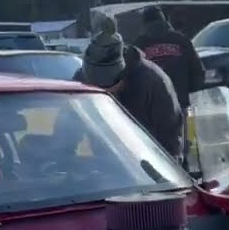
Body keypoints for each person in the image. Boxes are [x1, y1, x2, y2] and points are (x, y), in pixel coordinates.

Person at [75, 15, 183, 160]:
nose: (105, 94)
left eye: (110, 89)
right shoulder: (79, 82)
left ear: (123, 74)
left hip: (149, 161)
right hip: (104, 162)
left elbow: (170, 135)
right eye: (97, 89)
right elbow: (71, 128)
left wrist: (168, 173)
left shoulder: (153, 81)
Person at [133, 6, 205, 126]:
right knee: (187, 139)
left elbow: (132, 79)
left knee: (157, 144)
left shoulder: (139, 44)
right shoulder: (181, 40)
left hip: (151, 111)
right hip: (183, 106)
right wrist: (191, 98)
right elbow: (198, 72)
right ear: (164, 20)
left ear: (144, 23)